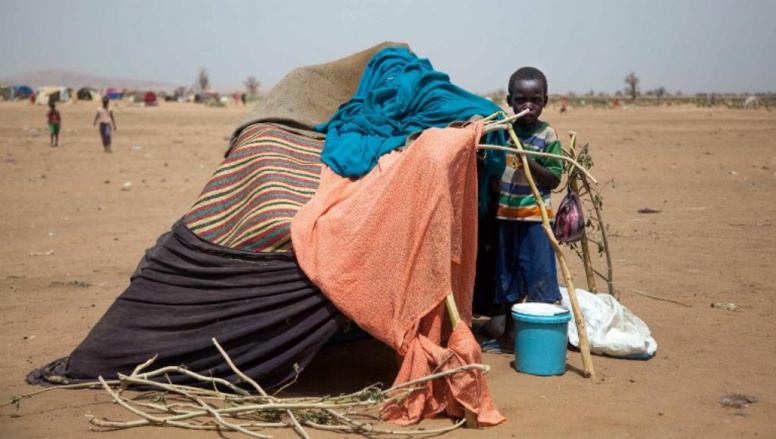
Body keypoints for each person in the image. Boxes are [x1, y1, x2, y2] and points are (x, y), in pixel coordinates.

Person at [492, 66, 564, 344]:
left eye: (535, 100)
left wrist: (527, 159)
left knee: (539, 275)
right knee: (507, 277)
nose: (528, 106)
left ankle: (538, 338)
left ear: (545, 101)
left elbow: (554, 178)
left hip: (536, 219)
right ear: (510, 100)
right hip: (505, 217)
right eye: (521, 99)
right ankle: (510, 336)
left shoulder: (547, 136)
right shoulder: (502, 131)